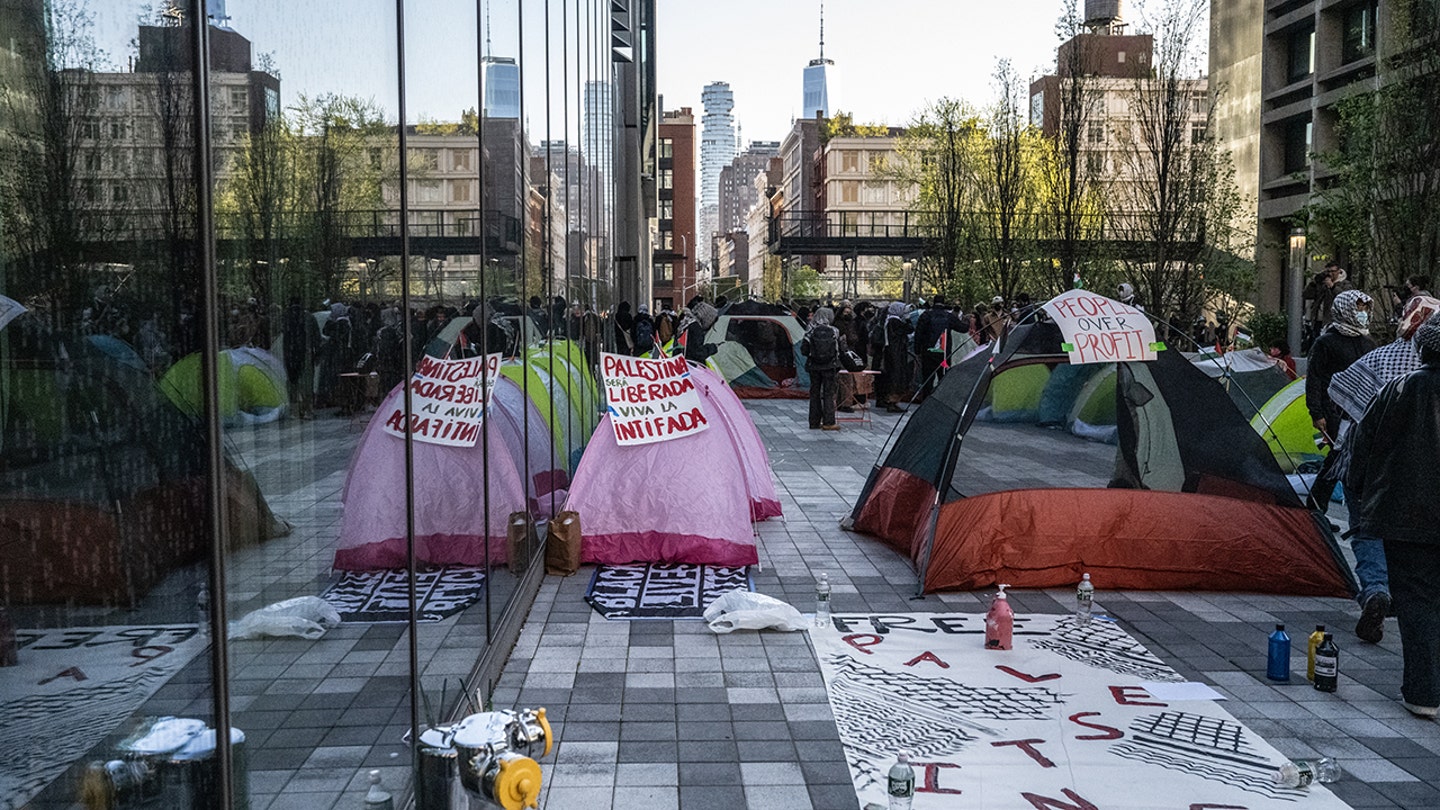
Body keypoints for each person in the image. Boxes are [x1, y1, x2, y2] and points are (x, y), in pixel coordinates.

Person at [1326, 295, 1440, 642]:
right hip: (1420, 476)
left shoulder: (1381, 357)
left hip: (1372, 462)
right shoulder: (1421, 368)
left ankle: (1376, 587)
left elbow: (1342, 392)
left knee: (1367, 530)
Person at [1344, 314, 1440, 717]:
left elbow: (1361, 450)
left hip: (1408, 515)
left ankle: (1424, 693)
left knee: (1417, 601)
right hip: (1411, 514)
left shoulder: (1398, 389)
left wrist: (1361, 496)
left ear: (1422, 349)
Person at [913, 295, 966, 400]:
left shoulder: (926, 315)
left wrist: (917, 349)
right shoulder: (948, 317)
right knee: (943, 377)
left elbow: (918, 333)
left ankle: (926, 400)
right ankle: (942, 399)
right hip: (944, 353)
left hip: (928, 352)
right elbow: (963, 328)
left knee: (928, 378)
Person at [801, 306, 844, 431]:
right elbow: (839, 350)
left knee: (814, 393)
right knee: (828, 394)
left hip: (814, 366)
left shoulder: (810, 329)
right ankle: (829, 422)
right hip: (830, 366)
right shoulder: (834, 331)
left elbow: (804, 350)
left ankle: (814, 422)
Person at [281, 298, 319, 418]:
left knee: (292, 383)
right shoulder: (309, 317)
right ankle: (308, 409)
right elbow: (316, 337)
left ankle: (295, 411)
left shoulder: (285, 317)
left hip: (290, 354)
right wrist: (316, 351)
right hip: (305, 354)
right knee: (306, 383)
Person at [875, 302, 913, 413]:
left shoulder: (888, 321)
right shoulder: (894, 322)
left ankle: (891, 400)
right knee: (896, 377)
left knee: (893, 376)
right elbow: (909, 329)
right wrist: (908, 320)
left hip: (891, 352)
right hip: (896, 353)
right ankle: (892, 401)